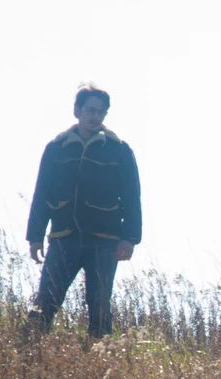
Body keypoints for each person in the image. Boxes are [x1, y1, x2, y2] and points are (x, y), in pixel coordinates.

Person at [25, 85, 142, 339]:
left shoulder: (119, 149)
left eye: (101, 112)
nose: (95, 117)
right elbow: (42, 193)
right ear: (77, 111)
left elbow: (132, 197)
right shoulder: (56, 148)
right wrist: (34, 236)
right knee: (46, 299)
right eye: (90, 110)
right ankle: (29, 353)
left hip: (105, 240)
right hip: (64, 237)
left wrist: (129, 238)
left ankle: (100, 362)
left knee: (99, 304)